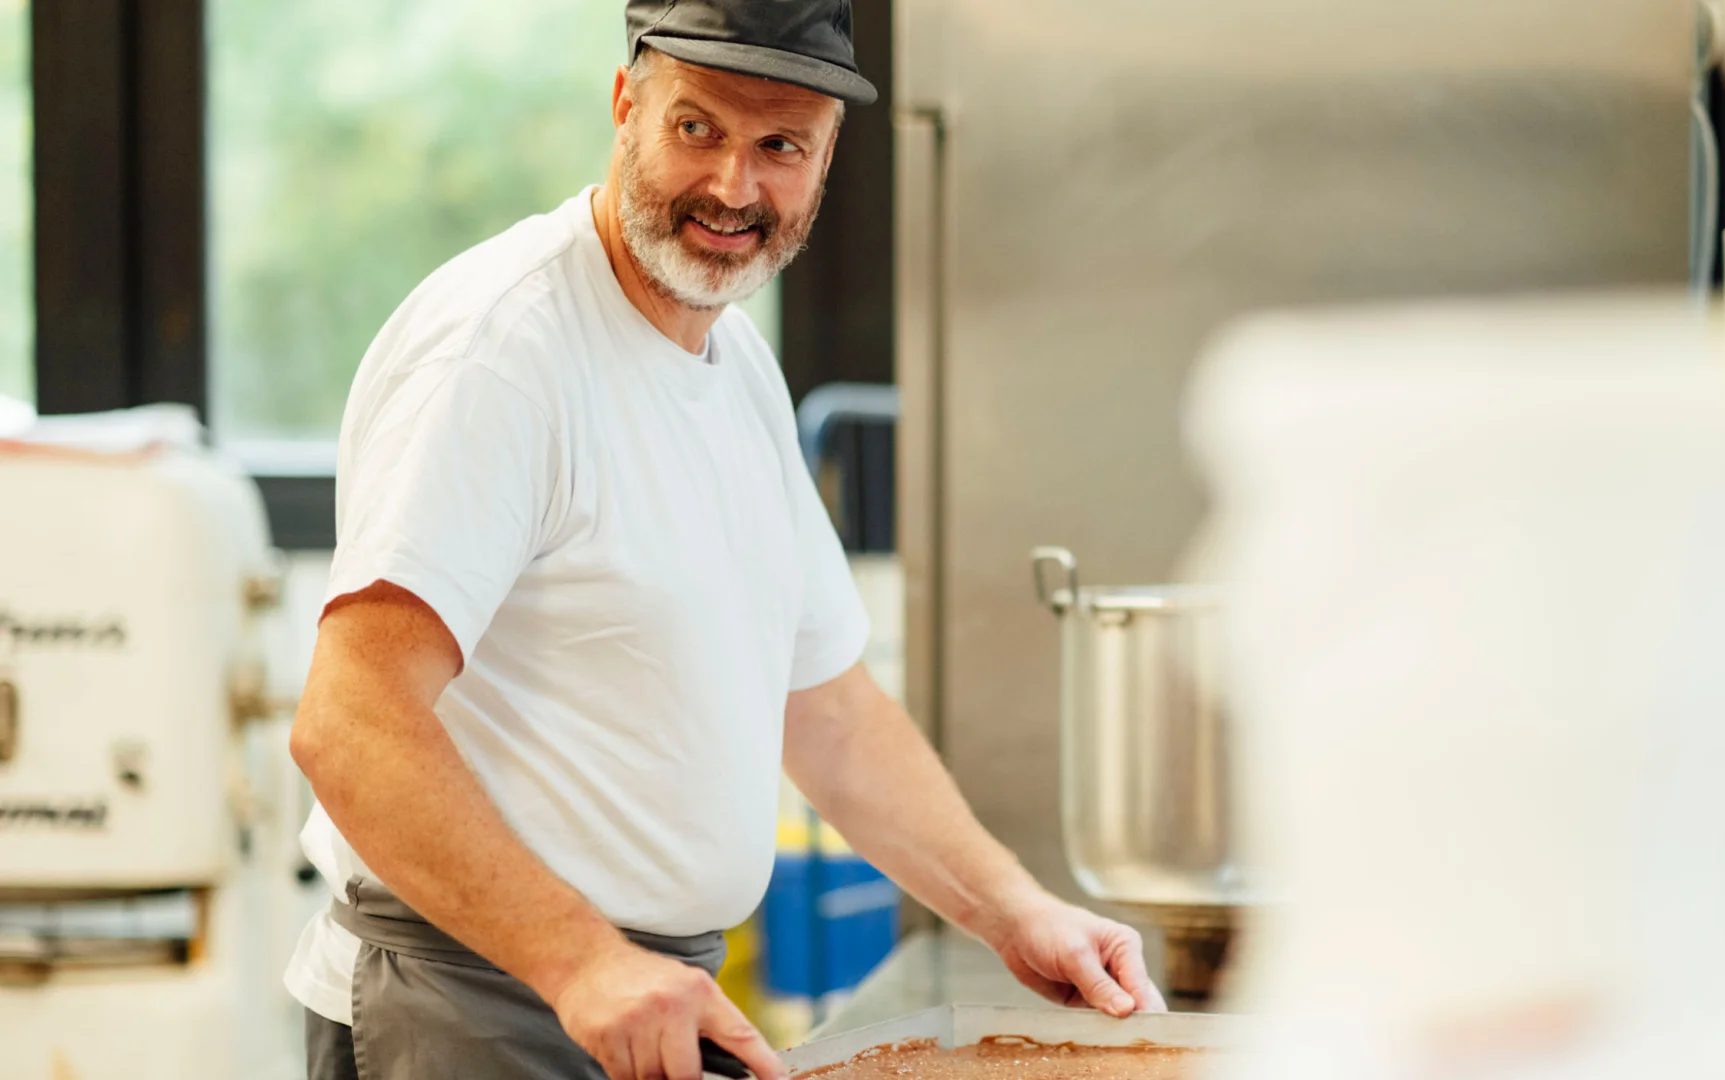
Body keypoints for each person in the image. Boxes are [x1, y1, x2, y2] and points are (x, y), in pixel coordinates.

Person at [283, 3, 1166, 1078]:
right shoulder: (502, 351)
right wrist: (581, 962)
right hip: (474, 1002)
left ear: (827, 159)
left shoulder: (737, 365)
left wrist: (1016, 911)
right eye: (696, 128)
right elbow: (351, 722)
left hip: (639, 996)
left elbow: (827, 709)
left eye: (781, 146)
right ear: (625, 105)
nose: (734, 188)